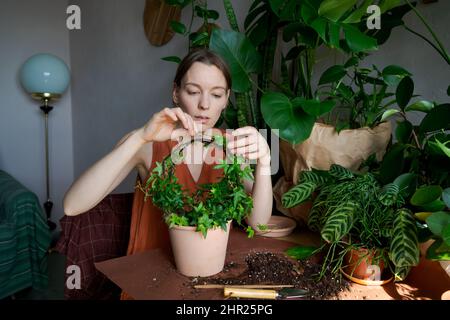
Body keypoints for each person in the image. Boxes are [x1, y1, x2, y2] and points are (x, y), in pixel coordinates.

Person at [63, 48, 272, 268]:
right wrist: (140, 137)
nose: (205, 104)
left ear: (226, 100)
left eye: (217, 94)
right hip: (148, 277)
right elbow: (72, 205)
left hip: (210, 271)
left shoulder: (232, 146)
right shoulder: (146, 143)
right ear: (176, 93)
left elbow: (258, 224)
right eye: (193, 91)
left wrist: (264, 161)